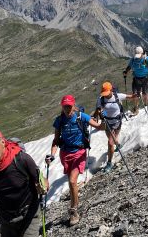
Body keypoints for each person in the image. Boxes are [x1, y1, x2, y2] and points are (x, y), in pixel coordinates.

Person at [45, 95, 103, 226]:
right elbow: (56, 141)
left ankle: (74, 210)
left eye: (69, 106)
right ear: (62, 106)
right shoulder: (59, 120)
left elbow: (99, 127)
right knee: (72, 183)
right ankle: (74, 200)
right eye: (65, 106)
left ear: (73, 105)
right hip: (65, 154)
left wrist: (105, 121)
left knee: (72, 181)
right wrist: (52, 155)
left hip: (79, 153)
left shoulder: (81, 117)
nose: (67, 109)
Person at [94, 82, 135, 173]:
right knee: (112, 139)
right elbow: (98, 110)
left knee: (110, 142)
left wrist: (135, 95)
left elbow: (130, 97)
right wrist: (98, 114)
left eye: (106, 92)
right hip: (107, 123)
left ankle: (109, 163)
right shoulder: (101, 99)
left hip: (117, 122)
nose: (105, 95)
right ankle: (118, 145)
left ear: (111, 90)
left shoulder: (118, 96)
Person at [123, 46, 148, 115]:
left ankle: (146, 105)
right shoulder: (133, 59)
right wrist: (126, 72)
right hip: (137, 78)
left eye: (139, 55)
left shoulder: (147, 59)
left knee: (145, 93)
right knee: (135, 94)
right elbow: (129, 67)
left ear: (142, 54)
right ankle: (136, 109)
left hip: (145, 78)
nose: (138, 57)